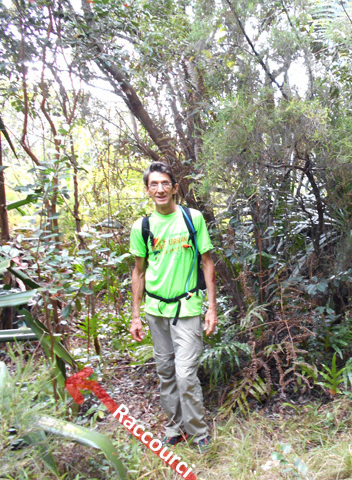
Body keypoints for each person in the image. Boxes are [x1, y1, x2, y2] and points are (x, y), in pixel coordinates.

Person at [129, 161, 218, 451]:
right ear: (147, 190)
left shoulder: (193, 218)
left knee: (185, 374)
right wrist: (135, 316)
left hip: (187, 308)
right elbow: (139, 272)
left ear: (175, 187)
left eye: (165, 183)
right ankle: (174, 428)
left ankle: (198, 432)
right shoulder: (142, 227)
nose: (160, 189)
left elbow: (207, 263)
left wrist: (212, 308)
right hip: (155, 311)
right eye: (153, 184)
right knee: (166, 371)